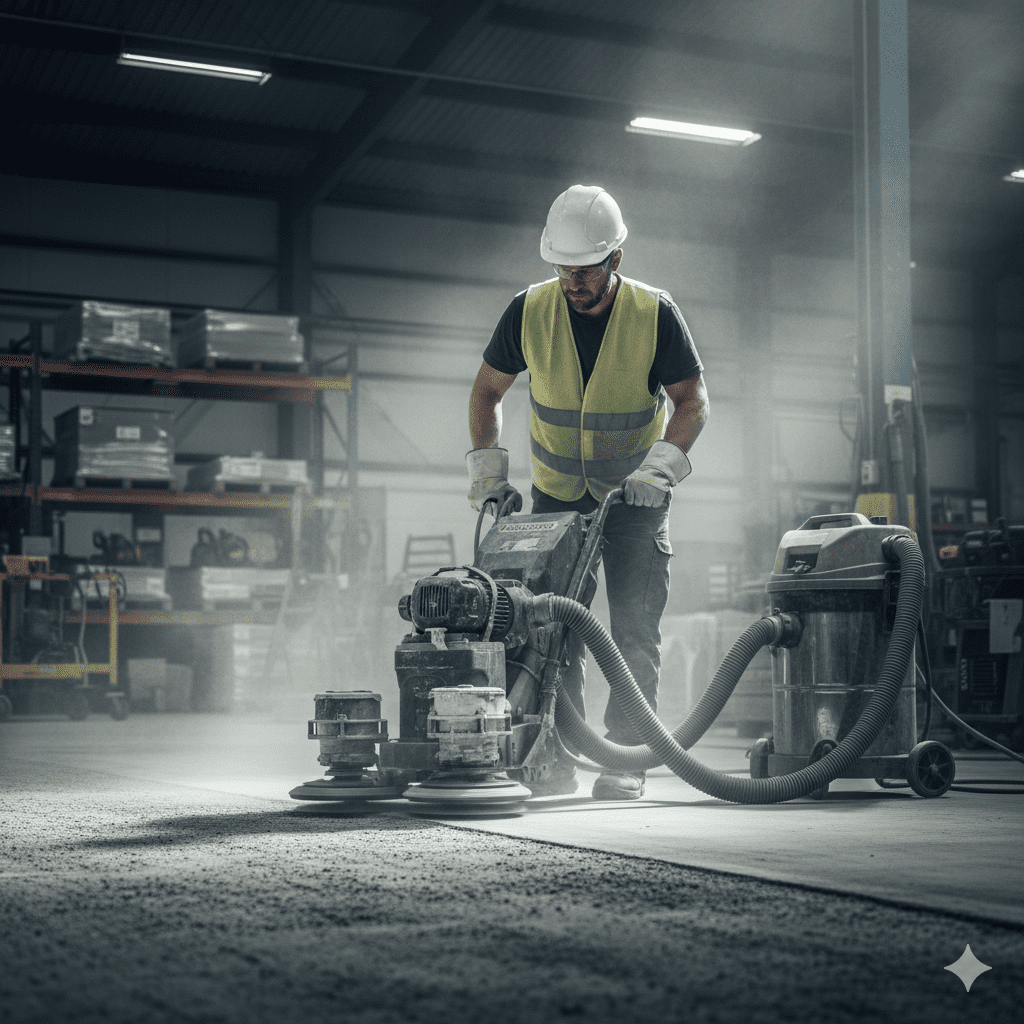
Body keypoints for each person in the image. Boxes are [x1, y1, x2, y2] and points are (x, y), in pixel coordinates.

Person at [466, 184, 709, 800]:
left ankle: (624, 759)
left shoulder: (654, 314)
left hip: (632, 502)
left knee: (632, 632)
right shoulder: (529, 310)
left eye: (585, 271)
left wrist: (658, 472)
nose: (572, 283)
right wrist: (491, 480)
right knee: (549, 629)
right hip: (554, 498)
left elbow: (692, 402)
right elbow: (486, 393)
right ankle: (558, 751)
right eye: (563, 270)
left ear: (615, 261)